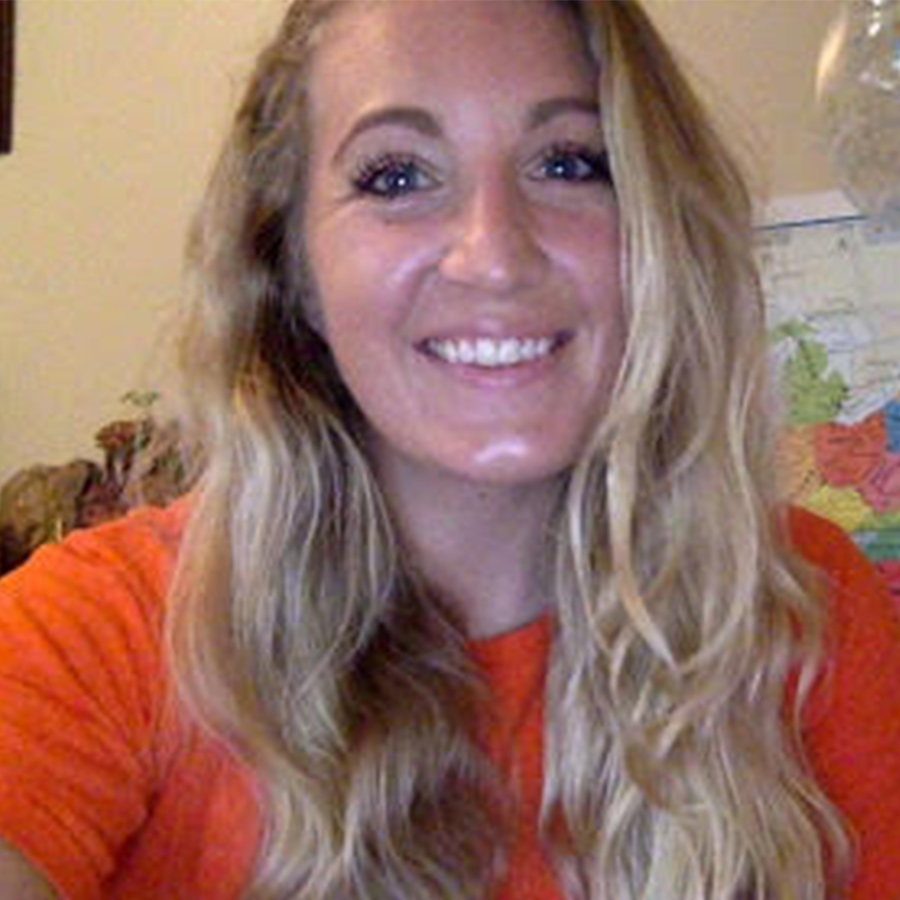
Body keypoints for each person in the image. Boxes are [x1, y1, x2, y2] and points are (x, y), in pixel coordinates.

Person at [1, 1, 900, 898]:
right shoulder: (97, 630)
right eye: (397, 177)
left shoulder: (800, 608)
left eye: (569, 162)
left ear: (656, 236)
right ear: (292, 272)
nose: (495, 254)